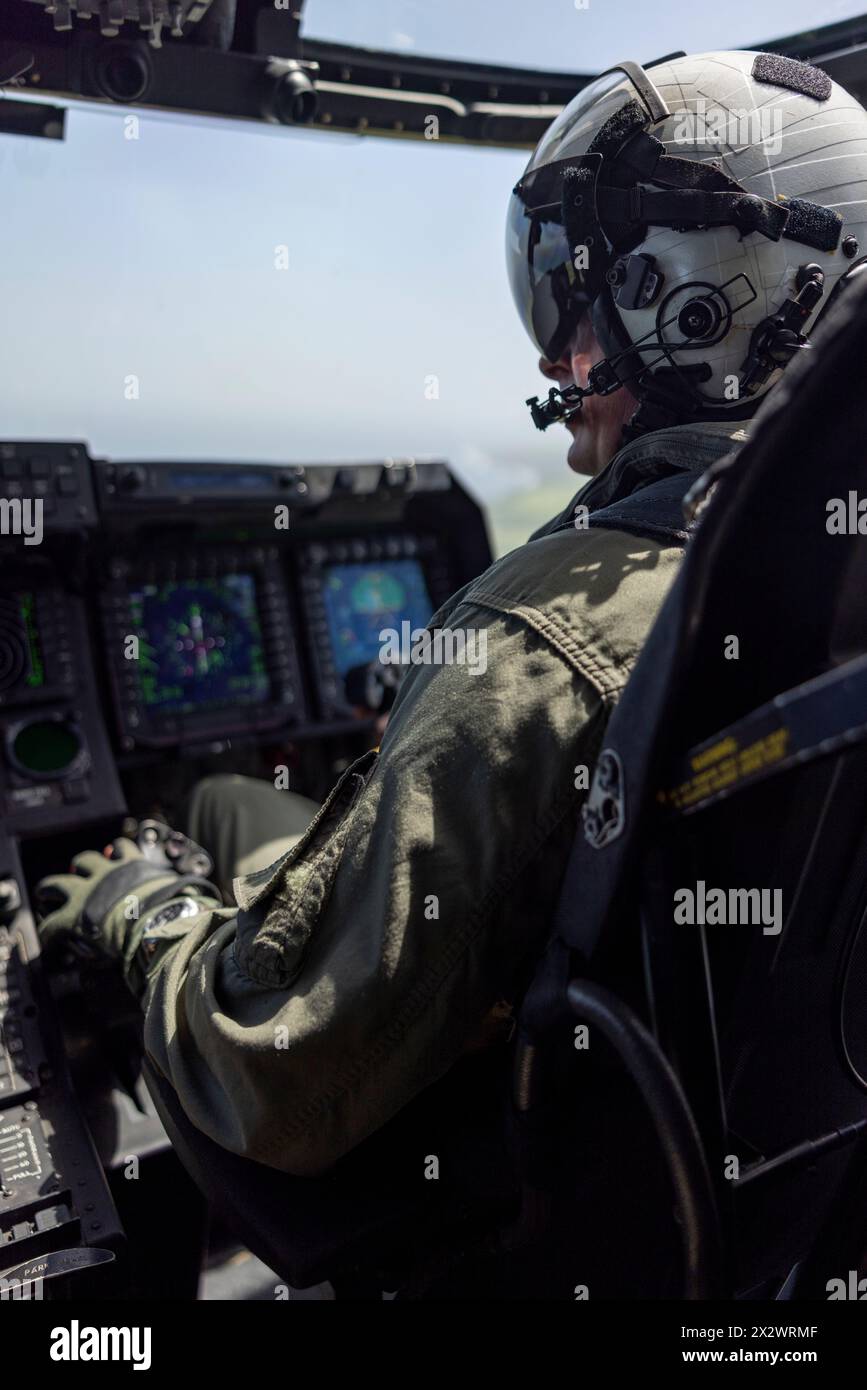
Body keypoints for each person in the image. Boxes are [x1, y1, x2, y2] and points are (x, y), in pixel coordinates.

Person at [36, 51, 867, 1178]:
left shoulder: (542, 638)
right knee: (243, 803)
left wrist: (139, 907)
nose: (551, 352)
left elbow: (274, 1062)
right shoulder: (826, 563)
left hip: (539, 1177)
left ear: (695, 302)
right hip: (784, 1182)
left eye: (572, 301)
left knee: (207, 817)